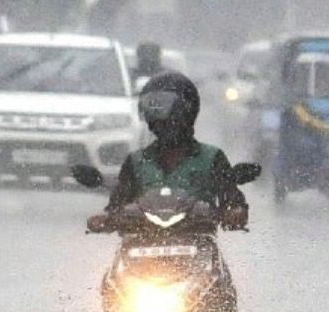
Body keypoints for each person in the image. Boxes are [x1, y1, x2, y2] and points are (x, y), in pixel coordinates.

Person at [88, 71, 250, 232]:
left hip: (199, 245)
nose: (162, 123)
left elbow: (231, 199)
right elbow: (117, 205)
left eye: (170, 116)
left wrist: (235, 213)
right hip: (139, 247)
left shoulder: (212, 158)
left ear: (187, 113)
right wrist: (105, 219)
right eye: (156, 115)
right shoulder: (136, 162)